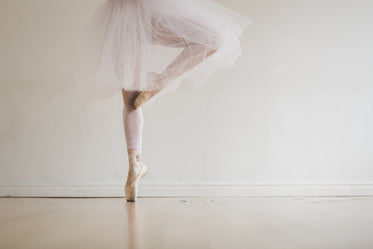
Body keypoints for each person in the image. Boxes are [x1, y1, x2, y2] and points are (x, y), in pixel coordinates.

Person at [75, 0, 250, 201]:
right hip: (147, 10)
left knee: (131, 98)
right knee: (213, 38)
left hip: (121, 17)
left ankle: (135, 163)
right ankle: (162, 78)